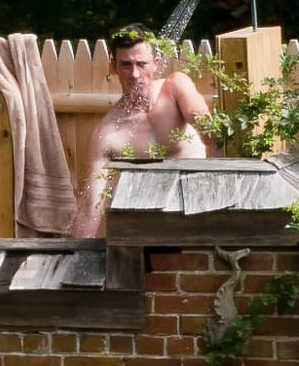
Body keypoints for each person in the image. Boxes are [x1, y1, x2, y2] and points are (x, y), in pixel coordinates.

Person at [70, 24, 213, 238]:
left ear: (155, 64)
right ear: (113, 66)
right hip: (152, 228)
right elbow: (92, 205)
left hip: (202, 208)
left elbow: (213, 135)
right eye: (126, 65)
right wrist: (74, 257)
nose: (135, 74)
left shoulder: (175, 88)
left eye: (142, 64)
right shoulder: (107, 134)